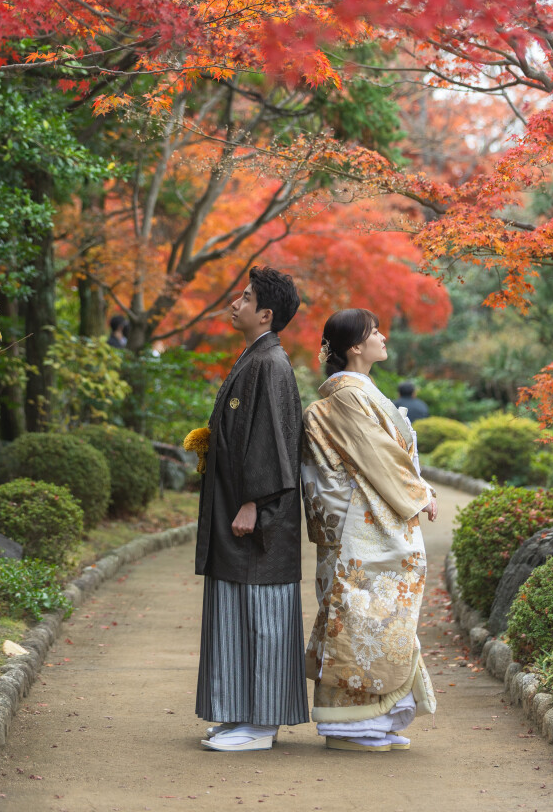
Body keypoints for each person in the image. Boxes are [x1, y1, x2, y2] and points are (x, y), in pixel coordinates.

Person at [301, 308, 438, 752]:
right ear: (355, 347)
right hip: (356, 526)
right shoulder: (345, 396)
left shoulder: (357, 392)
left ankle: (374, 723)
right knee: (357, 616)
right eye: (374, 331)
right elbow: (376, 454)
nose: (383, 337)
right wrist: (418, 492)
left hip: (365, 520)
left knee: (378, 618)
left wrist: (417, 487)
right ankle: (348, 728)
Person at [194, 266, 308, 752]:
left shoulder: (271, 364)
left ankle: (262, 724)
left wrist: (251, 503)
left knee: (261, 613)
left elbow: (274, 443)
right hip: (237, 510)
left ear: (265, 314)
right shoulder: (256, 357)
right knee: (236, 610)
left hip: (256, 516)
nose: (234, 303)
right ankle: (240, 713)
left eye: (244, 298)